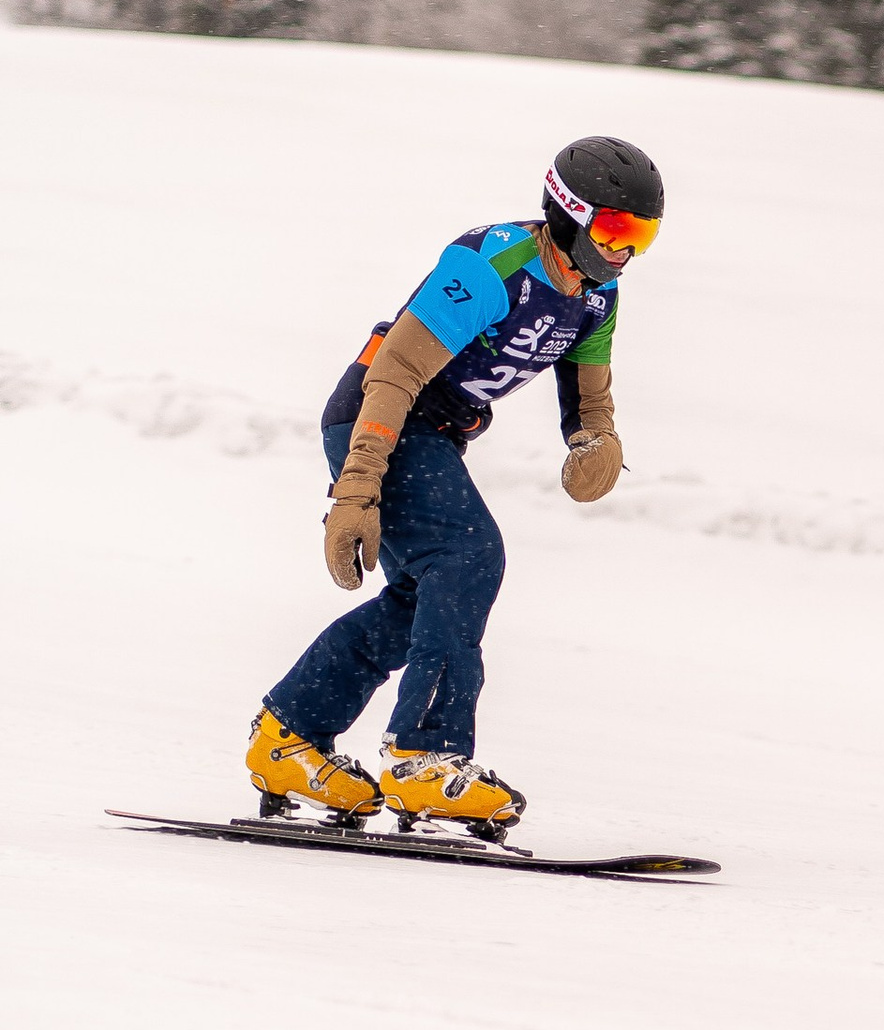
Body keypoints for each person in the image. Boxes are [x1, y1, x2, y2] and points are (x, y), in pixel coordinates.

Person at [247, 134, 666, 836]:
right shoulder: (488, 265)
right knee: (469, 557)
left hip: (436, 434)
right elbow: (394, 375)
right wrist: (356, 490)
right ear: (568, 213)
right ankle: (424, 757)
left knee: (425, 601)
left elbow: (589, 396)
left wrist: (596, 440)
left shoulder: (598, 294)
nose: (627, 252)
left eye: (644, 236)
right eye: (617, 230)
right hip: (380, 418)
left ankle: (288, 736)